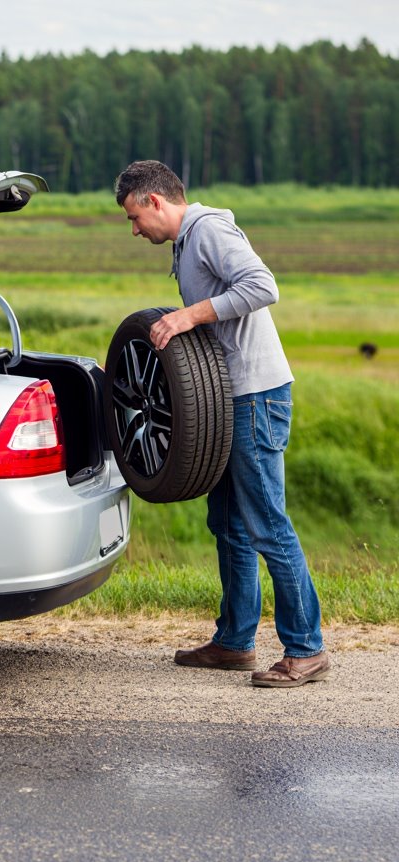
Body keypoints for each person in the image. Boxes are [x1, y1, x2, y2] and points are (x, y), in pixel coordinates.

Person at [113, 159, 330, 688]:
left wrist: (189, 315)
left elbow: (262, 285)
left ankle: (308, 648)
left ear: (154, 201)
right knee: (230, 526)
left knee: (267, 525)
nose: (134, 229)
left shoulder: (208, 230)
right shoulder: (184, 243)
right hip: (225, 402)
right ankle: (235, 643)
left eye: (134, 217)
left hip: (257, 397)